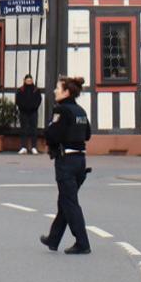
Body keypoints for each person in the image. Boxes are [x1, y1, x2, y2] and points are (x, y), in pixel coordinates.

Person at [39, 76, 93, 255]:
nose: (54, 91)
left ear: (66, 92)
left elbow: (53, 134)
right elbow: (87, 135)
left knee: (69, 202)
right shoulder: (80, 111)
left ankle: (82, 241)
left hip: (66, 161)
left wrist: (47, 133)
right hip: (80, 161)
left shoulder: (61, 111)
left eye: (58, 88)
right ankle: (53, 239)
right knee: (65, 200)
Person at [15, 74, 43, 154]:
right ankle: (24, 147)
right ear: (24, 81)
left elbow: (38, 100)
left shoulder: (36, 90)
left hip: (33, 112)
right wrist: (23, 107)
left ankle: (34, 147)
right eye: (27, 81)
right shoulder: (20, 90)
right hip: (23, 112)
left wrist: (34, 107)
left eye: (30, 81)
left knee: (33, 129)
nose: (28, 82)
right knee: (23, 129)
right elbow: (18, 100)